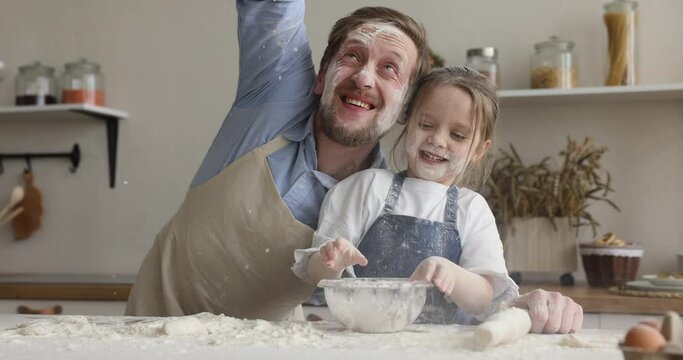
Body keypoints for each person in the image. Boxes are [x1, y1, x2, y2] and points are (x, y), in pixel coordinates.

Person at [126, 0, 582, 334]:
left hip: (260, 344)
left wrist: (527, 305)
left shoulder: (381, 196)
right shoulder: (272, 100)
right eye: (352, 57)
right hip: (151, 330)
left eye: (389, 69)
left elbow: (479, 292)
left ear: (405, 107)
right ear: (321, 78)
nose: (364, 77)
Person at [292, 66, 582, 332]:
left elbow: (485, 298)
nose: (438, 140)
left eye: (457, 134)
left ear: (480, 149)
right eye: (427, 125)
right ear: (407, 124)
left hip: (442, 348)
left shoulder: (472, 209)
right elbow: (314, 274)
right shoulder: (366, 188)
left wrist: (452, 275)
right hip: (362, 344)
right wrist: (330, 260)